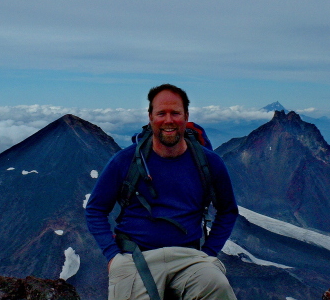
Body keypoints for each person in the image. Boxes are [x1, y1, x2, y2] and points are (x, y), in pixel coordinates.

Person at [85, 84, 239, 300]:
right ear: (150, 117)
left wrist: (209, 253)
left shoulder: (209, 163)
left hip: (190, 257)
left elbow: (228, 211)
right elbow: (95, 209)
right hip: (135, 256)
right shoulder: (124, 161)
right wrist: (113, 256)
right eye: (161, 113)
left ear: (186, 116)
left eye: (175, 113)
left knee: (218, 287)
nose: (169, 120)